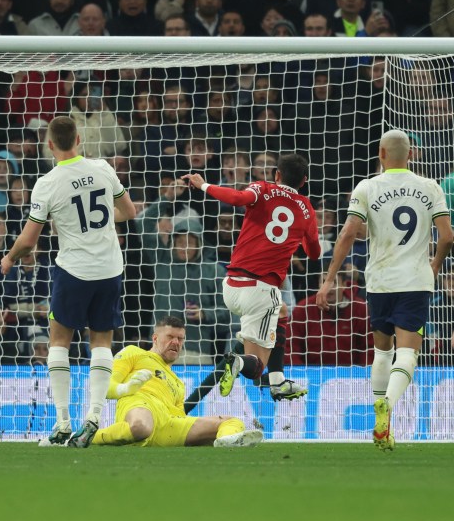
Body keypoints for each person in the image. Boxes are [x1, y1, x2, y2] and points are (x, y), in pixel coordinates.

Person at [1, 115, 138, 448]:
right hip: (109, 268)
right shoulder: (104, 168)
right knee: (101, 343)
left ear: (49, 145)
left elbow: (29, 240)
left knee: (59, 341)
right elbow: (129, 211)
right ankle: (93, 416)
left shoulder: (48, 183)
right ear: (79, 140)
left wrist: (9, 257)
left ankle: (63, 422)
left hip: (74, 270)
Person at [317, 130, 454, 451]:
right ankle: (387, 406)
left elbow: (350, 231)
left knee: (382, 351)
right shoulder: (429, 186)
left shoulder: (367, 187)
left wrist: (328, 278)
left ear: (381, 154)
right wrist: (433, 266)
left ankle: (382, 421)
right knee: (408, 353)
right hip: (414, 282)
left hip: (379, 281)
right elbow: (447, 236)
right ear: (410, 155)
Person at [182, 153, 321, 401]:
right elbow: (314, 253)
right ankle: (236, 362)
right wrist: (299, 237)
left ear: (276, 175)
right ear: (304, 181)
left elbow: (236, 198)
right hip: (260, 292)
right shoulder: (307, 209)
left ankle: (278, 381)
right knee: (255, 367)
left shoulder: (262, 188)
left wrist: (202, 184)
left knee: (282, 311)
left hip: (232, 286)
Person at [92, 317, 262, 448]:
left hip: (169, 423)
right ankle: (91, 437)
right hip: (141, 404)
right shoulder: (134, 353)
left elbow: (180, 417)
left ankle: (226, 442)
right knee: (141, 427)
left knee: (232, 422)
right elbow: (106, 388)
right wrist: (128, 388)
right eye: (170, 337)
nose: (176, 342)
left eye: (180, 339)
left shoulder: (178, 383)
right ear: (155, 338)